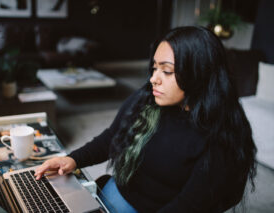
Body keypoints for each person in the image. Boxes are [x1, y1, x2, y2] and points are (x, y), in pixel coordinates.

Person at [34, 26, 257, 213]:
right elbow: (113, 137)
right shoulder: (147, 98)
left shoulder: (220, 139)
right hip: (112, 192)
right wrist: (73, 160)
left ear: (199, 72)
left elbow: (186, 207)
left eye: (167, 71)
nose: (153, 79)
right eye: (154, 68)